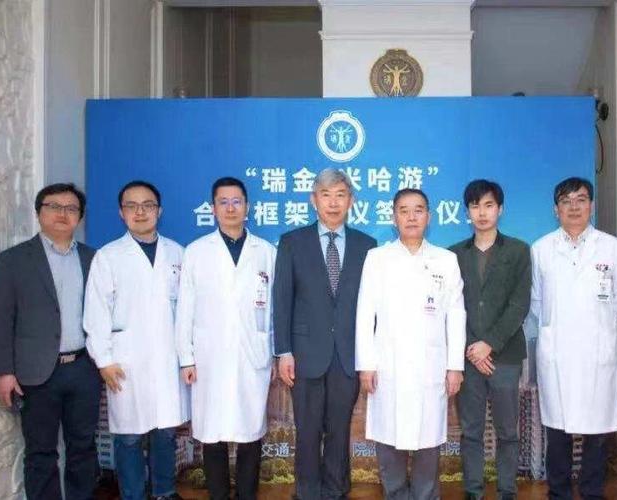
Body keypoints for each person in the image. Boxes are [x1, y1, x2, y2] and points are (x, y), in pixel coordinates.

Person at [0, 183, 100, 499]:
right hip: (35, 373)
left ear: (80, 217)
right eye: (54, 206)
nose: (63, 214)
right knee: (40, 452)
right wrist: (3, 371)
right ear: (39, 213)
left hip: (84, 369)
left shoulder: (94, 259)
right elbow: (1, 320)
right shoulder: (13, 260)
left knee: (83, 448)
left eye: (71, 208)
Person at [272, 168, 377, 500]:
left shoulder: (367, 246)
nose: (333, 203)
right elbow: (282, 300)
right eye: (326, 195)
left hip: (347, 354)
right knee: (307, 429)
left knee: (339, 429)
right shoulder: (292, 242)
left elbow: (372, 306)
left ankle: (335, 490)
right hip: (304, 354)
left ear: (351, 201)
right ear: (313, 200)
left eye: (340, 195)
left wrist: (369, 357)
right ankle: (307, 492)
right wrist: (283, 351)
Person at [356, 188, 466, 500]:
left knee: (428, 438)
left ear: (428, 217)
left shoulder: (446, 260)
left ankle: (426, 495)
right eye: (404, 211)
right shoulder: (378, 259)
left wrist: (455, 367)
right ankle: (395, 494)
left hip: (430, 365)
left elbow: (456, 315)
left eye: (418, 210)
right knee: (388, 436)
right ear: (394, 218)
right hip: (387, 364)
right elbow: (365, 313)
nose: (411, 217)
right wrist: (366, 364)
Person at [83, 180, 189, 500]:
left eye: (148, 205)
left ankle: (164, 492)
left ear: (159, 211)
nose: (140, 212)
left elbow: (188, 309)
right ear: (121, 213)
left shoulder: (177, 253)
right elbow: (96, 312)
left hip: (168, 358)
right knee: (128, 437)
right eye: (132, 206)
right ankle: (132, 494)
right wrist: (103, 360)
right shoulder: (109, 256)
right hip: (125, 362)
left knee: (165, 432)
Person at [530, 177, 617, 499]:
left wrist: (596, 326)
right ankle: (558, 493)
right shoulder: (541, 249)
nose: (574, 207)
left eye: (581, 199)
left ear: (592, 205)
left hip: (596, 352)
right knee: (557, 431)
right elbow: (536, 301)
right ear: (555, 209)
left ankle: (592, 492)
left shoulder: (612, 247)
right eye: (566, 201)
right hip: (557, 352)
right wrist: (559, 327)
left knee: (596, 433)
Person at [174, 176, 276, 500]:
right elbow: (185, 311)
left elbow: (274, 310)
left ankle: (247, 494)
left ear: (248, 207)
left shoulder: (266, 252)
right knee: (212, 432)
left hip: (253, 354)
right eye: (223, 202)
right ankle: (218, 494)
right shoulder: (197, 251)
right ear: (213, 208)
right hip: (209, 357)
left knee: (251, 432)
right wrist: (186, 358)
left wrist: (274, 353)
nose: (231, 208)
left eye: (237, 201)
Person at [449, 180, 531, 500]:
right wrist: (472, 348)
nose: (482, 213)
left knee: (507, 430)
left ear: (500, 209)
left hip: (505, 355)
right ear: (467, 212)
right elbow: (451, 307)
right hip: (467, 357)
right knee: (471, 431)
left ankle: (507, 491)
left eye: (488, 205)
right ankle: (473, 491)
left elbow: (519, 304)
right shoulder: (454, 254)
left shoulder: (519, 250)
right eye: (475, 206)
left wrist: (489, 344)